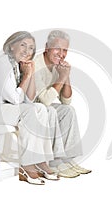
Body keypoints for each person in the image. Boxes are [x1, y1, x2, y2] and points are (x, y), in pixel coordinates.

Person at [0, 31, 60, 185]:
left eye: (31, 48)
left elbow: (29, 100)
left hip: (3, 110)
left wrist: (29, 73)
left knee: (42, 109)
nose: (27, 51)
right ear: (11, 46)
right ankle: (27, 165)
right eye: (22, 45)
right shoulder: (1, 63)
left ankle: (41, 161)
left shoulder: (19, 65)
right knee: (30, 111)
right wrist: (26, 76)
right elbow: (15, 99)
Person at [34, 30, 92, 178]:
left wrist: (66, 76)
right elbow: (45, 100)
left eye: (65, 50)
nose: (62, 53)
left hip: (44, 108)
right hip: (32, 108)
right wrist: (62, 76)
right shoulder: (36, 64)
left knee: (68, 110)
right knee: (52, 111)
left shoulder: (57, 66)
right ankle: (55, 162)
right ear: (47, 48)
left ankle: (67, 160)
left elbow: (66, 100)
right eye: (57, 49)